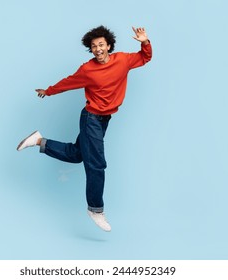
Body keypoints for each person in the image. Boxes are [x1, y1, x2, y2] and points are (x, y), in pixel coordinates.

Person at [17, 26, 152, 232]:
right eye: (93, 46)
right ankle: (96, 209)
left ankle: (39, 141)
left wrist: (144, 41)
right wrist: (49, 91)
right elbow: (69, 82)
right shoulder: (88, 69)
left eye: (100, 45)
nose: (97, 49)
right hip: (91, 118)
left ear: (108, 46)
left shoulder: (123, 60)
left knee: (77, 154)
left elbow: (145, 57)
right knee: (97, 164)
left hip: (104, 119)